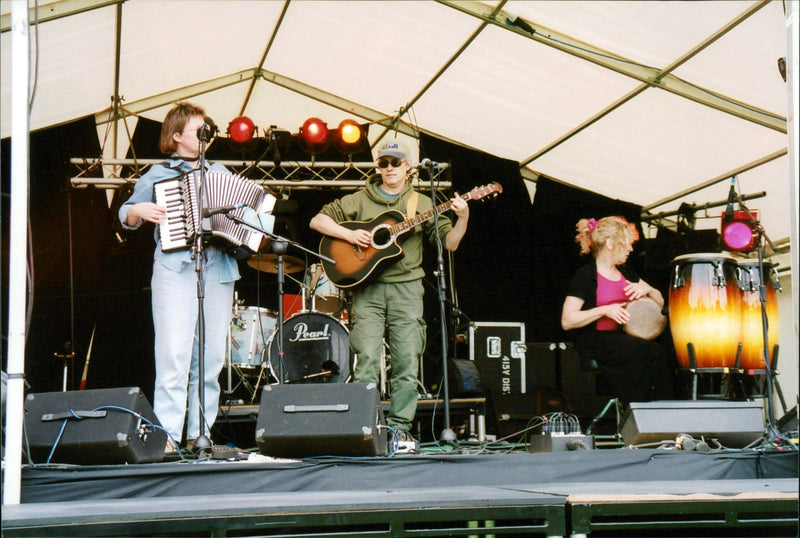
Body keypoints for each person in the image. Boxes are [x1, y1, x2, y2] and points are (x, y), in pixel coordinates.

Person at [310, 139, 469, 449]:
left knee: (407, 360)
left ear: (408, 167)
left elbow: (450, 243)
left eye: (396, 162)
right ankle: (364, 426)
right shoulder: (360, 199)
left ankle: (400, 429)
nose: (389, 168)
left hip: (407, 289)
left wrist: (462, 216)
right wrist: (349, 234)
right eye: (383, 163)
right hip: (367, 289)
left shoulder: (422, 203)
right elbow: (318, 220)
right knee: (367, 358)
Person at [119, 102, 236, 452]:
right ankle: (168, 437)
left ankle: (200, 435)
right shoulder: (158, 174)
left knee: (211, 359)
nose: (205, 135)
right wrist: (137, 210)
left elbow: (244, 215)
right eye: (199, 130)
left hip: (218, 268)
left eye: (207, 129)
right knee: (173, 356)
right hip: (174, 270)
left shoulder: (221, 173)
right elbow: (126, 214)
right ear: (176, 137)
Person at [561, 216, 674, 404]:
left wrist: (648, 290)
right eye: (626, 243)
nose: (631, 249)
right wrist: (604, 310)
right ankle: (641, 407)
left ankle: (657, 408)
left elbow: (660, 303)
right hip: (598, 341)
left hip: (623, 339)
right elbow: (567, 320)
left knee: (663, 350)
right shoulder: (585, 275)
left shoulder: (626, 273)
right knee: (649, 352)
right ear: (610, 243)